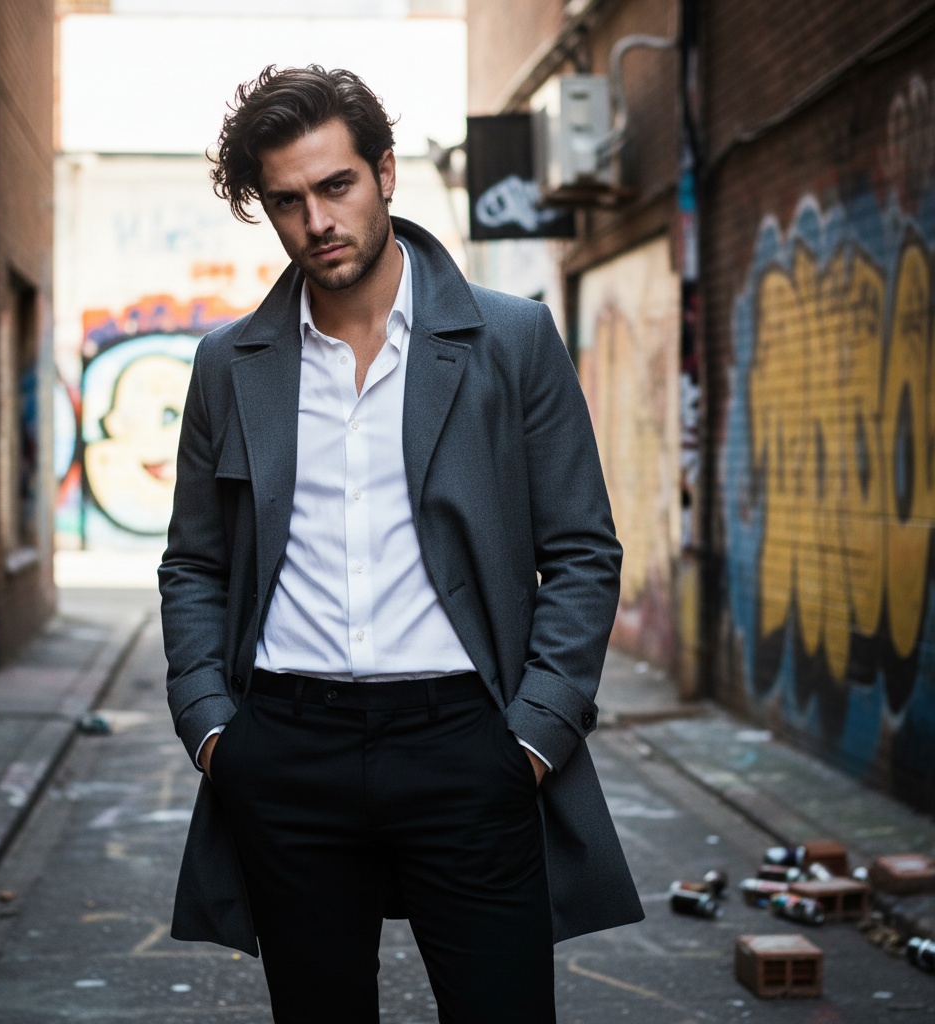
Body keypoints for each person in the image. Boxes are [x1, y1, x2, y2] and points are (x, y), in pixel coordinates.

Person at [159, 64, 642, 1024]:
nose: (316, 221)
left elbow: (583, 550)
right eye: (287, 201)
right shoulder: (229, 365)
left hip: (469, 743)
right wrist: (213, 729)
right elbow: (194, 563)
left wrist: (535, 736)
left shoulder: (510, 341)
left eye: (336, 186)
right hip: (285, 748)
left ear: (384, 173)